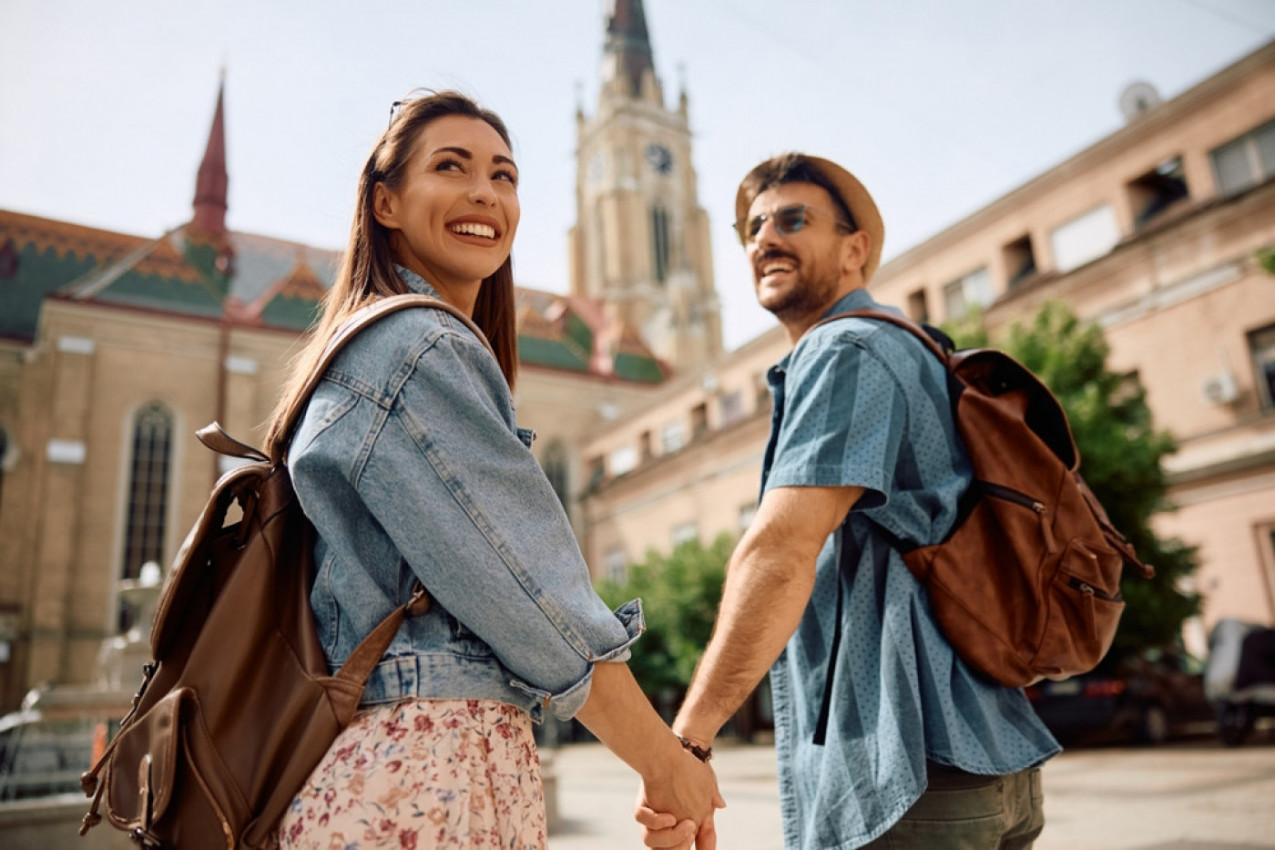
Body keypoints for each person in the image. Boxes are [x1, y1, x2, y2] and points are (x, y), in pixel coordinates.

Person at [266, 90, 721, 849]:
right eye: (451, 166)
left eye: (504, 176)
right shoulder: (415, 346)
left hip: (421, 762)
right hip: (420, 768)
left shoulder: (382, 345)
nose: (485, 191)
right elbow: (530, 590)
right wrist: (663, 763)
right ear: (384, 203)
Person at [639, 153, 1060, 850]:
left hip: (910, 774)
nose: (765, 239)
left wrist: (687, 740)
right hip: (981, 759)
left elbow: (779, 551)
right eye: (753, 227)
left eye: (793, 220)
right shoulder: (910, 347)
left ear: (853, 248)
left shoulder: (847, 351)